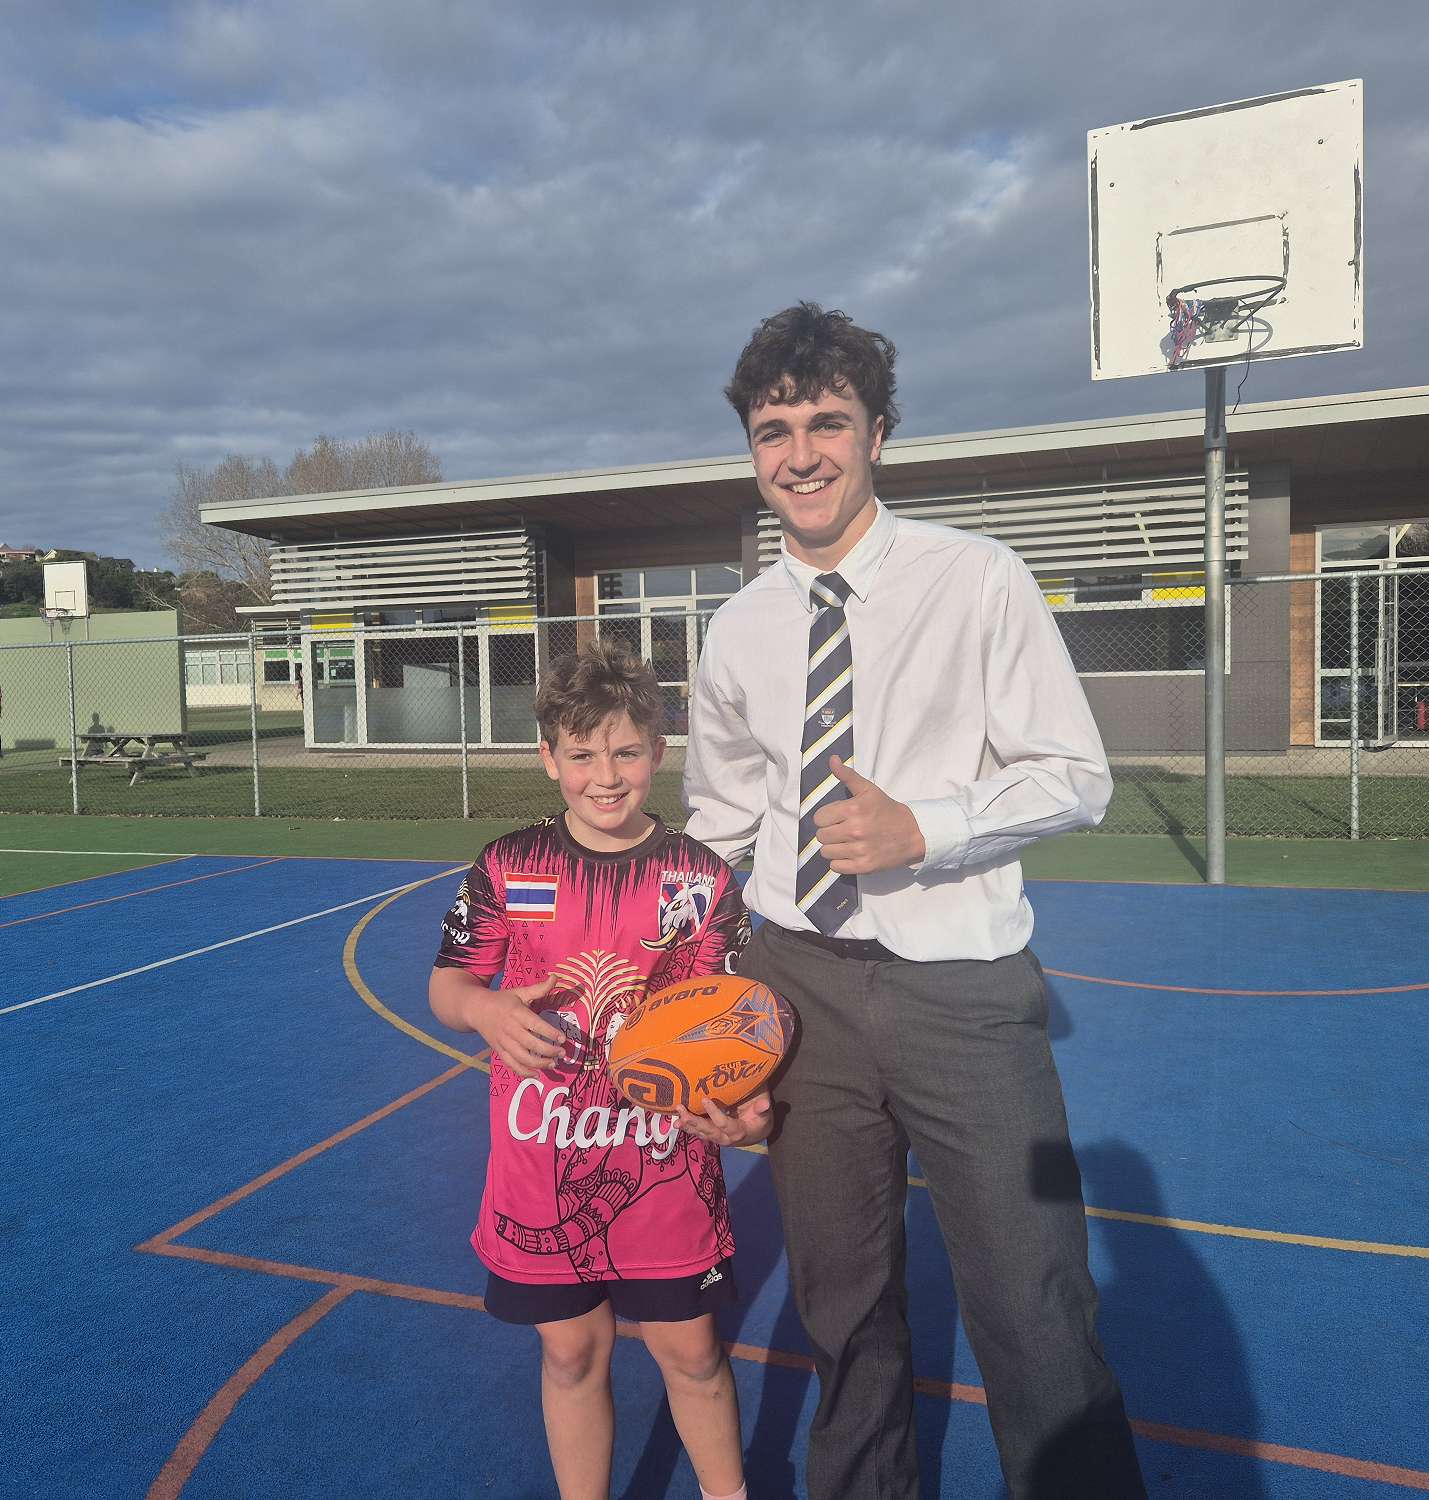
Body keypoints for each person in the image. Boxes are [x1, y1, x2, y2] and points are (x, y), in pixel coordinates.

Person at [684, 302, 1146, 1499]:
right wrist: (687, 1006)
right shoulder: (736, 629)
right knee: (842, 1315)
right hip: (797, 989)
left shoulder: (977, 580)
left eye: (826, 423)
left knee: (1035, 1309)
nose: (799, 454)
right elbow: (718, 827)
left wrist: (923, 829)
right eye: (773, 430)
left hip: (962, 994)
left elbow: (1074, 775)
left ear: (877, 433)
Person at [428, 641, 769, 1500]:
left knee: (691, 1353)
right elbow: (449, 984)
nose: (605, 776)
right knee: (572, 1352)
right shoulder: (507, 864)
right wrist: (485, 1010)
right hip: (541, 1163)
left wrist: (746, 1102)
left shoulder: (699, 878)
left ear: (659, 751)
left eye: (625, 752)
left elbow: (733, 1022)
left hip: (665, 1161)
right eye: (582, 755)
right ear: (549, 758)